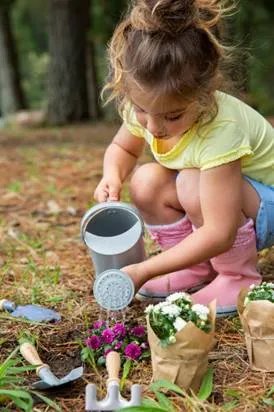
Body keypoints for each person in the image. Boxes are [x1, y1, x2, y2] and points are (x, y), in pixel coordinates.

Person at [94, 0, 274, 316]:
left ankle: (237, 276)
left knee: (190, 182)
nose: (153, 126)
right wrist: (112, 175)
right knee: (147, 180)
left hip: (265, 208)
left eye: (173, 116)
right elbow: (123, 149)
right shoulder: (149, 104)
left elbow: (219, 232)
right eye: (140, 111)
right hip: (228, 204)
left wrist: (144, 270)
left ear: (204, 94)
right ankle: (195, 267)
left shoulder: (220, 128)